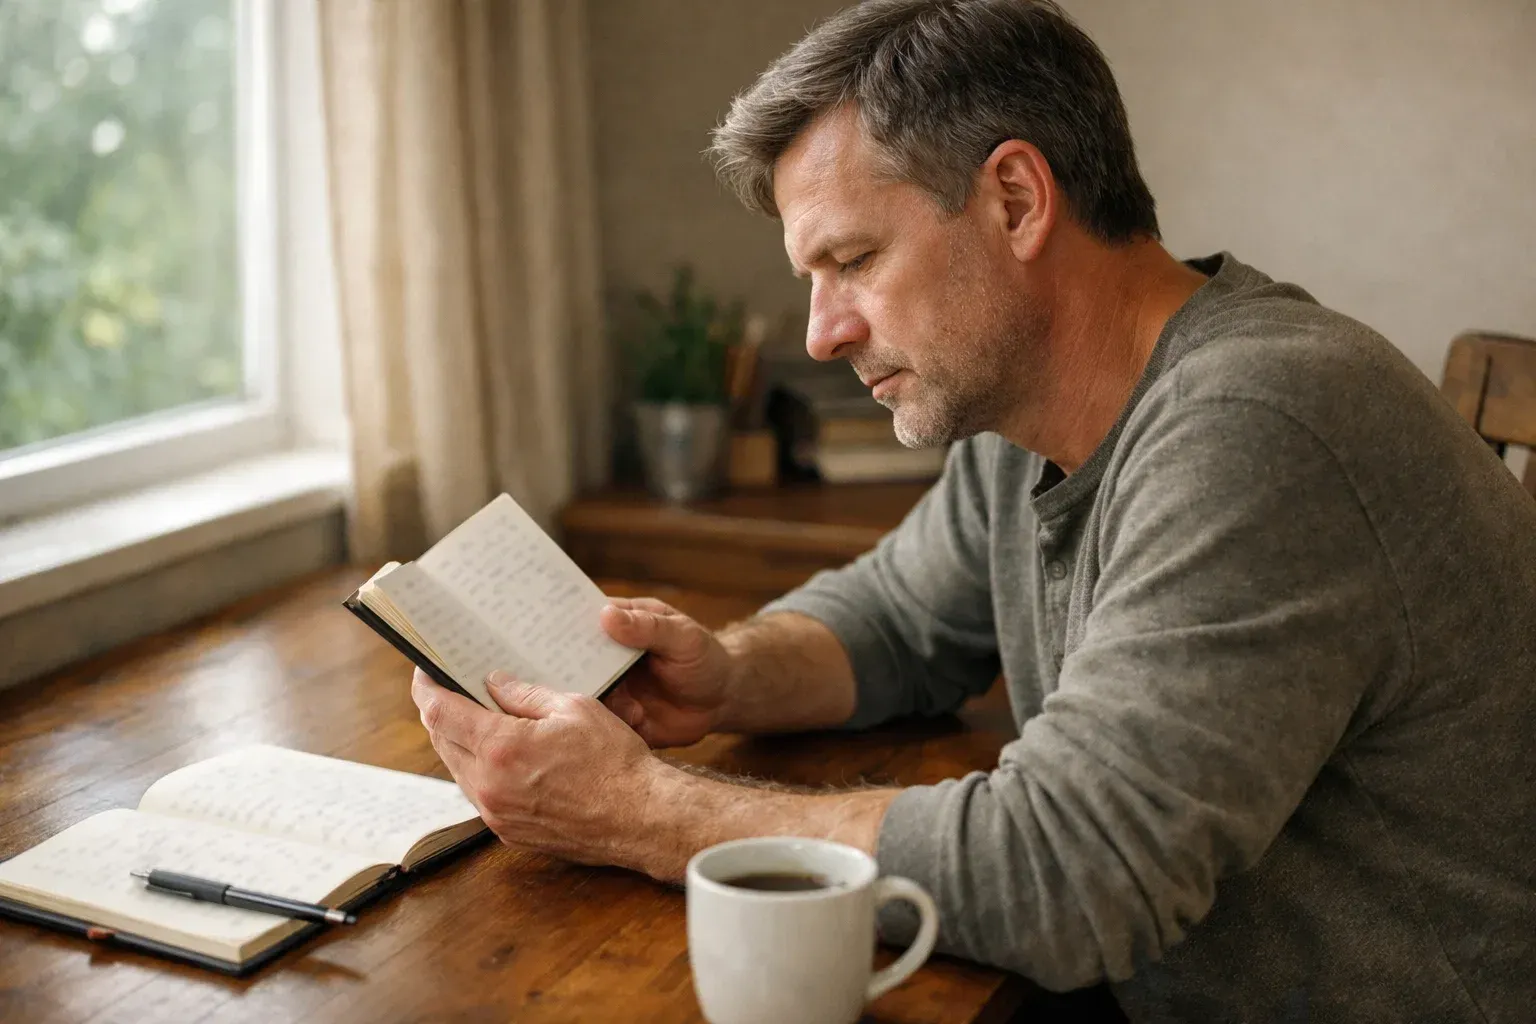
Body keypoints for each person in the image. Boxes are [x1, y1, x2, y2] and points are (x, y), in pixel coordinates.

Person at [411, 1, 1536, 1020]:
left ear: (1014, 199)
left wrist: (637, 809)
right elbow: (901, 616)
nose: (820, 333)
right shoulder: (1037, 408)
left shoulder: (1263, 421)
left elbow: (1069, 873)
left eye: (851, 260)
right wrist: (729, 669)